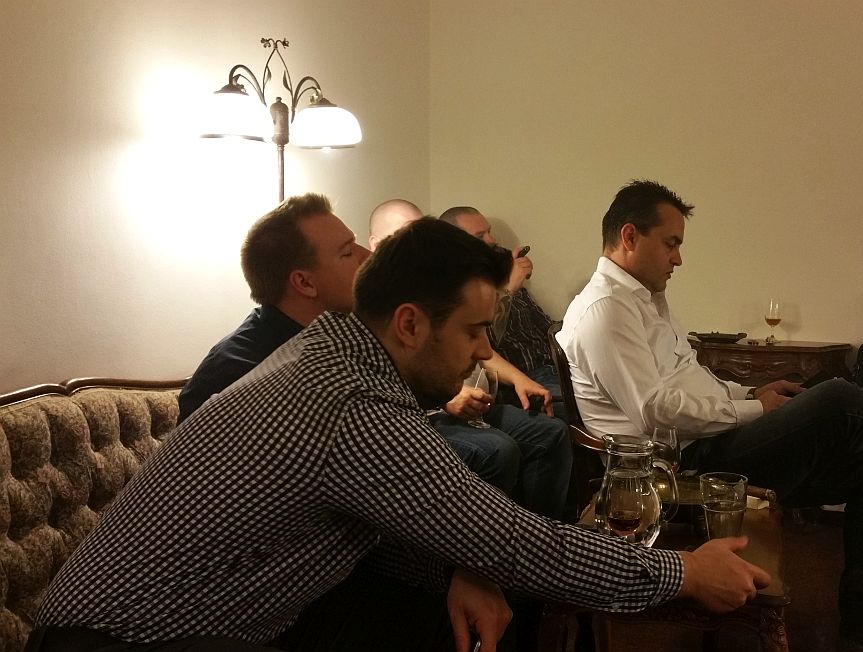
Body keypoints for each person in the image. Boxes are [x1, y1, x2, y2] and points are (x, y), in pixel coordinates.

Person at [31, 218, 771, 652]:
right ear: (411, 323)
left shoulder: (335, 354)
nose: (483, 353)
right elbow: (519, 541)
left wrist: (463, 569)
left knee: (441, 609)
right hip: (120, 641)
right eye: (474, 331)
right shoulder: (349, 403)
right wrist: (682, 574)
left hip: (189, 620)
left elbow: (400, 527)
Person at [557, 180, 863, 652]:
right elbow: (655, 412)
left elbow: (690, 379)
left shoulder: (644, 300)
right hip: (676, 470)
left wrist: (751, 392)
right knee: (837, 397)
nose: (678, 259)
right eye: (671, 244)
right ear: (629, 236)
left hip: (706, 447)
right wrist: (755, 410)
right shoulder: (606, 310)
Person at [369, 201, 573, 521]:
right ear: (375, 245)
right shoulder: (375, 300)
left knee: (551, 432)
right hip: (429, 413)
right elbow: (385, 373)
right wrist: (449, 396)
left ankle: (542, 527)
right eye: (407, 235)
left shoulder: (438, 284)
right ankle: (489, 537)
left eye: (423, 234)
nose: (420, 246)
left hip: (473, 401)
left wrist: (519, 378)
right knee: (498, 450)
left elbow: (480, 345)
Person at [177, 194, 369, 423]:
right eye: (347, 252)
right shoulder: (241, 376)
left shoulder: (340, 341)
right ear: (304, 283)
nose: (368, 256)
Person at [439, 206, 563, 411]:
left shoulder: (500, 275)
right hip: (522, 381)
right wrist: (509, 289)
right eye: (480, 236)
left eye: (489, 232)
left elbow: (547, 328)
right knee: (592, 405)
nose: (491, 240)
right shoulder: (456, 292)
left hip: (555, 368)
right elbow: (484, 345)